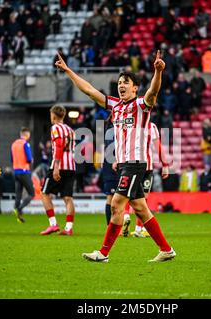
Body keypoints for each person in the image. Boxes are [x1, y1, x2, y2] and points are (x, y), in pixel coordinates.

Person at [55, 51, 176, 262]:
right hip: (124, 165)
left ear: (135, 87)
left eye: (126, 82)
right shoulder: (114, 105)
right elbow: (89, 90)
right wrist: (68, 71)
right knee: (140, 209)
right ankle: (166, 249)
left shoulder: (140, 105)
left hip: (135, 164)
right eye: (120, 82)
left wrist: (158, 72)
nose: (121, 85)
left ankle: (103, 253)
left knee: (116, 205)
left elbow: (153, 92)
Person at [39, 105, 77, 236]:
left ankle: (53, 224)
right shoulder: (70, 130)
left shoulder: (55, 128)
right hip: (71, 166)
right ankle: (68, 227)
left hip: (59, 166)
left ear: (53, 116)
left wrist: (56, 166)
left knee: (44, 193)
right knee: (68, 197)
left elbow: (60, 145)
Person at [11, 127, 35, 223]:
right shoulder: (25, 144)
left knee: (18, 195)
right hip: (24, 172)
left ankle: (18, 215)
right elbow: (29, 159)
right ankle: (19, 208)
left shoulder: (13, 144)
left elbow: (12, 159)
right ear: (27, 134)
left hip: (16, 172)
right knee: (31, 193)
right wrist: (31, 160)